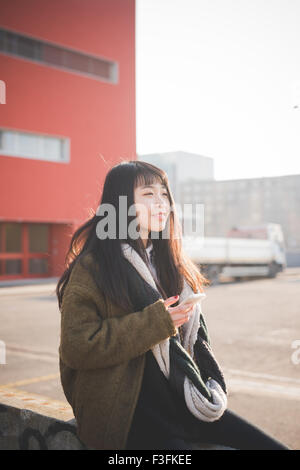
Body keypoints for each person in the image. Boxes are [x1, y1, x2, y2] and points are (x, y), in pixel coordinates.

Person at [57, 160, 289, 450]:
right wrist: (156, 323)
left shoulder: (170, 265)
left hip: (183, 399)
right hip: (128, 414)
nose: (161, 203)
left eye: (164, 194)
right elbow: (77, 346)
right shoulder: (95, 267)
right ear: (121, 204)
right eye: (148, 194)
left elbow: (192, 341)